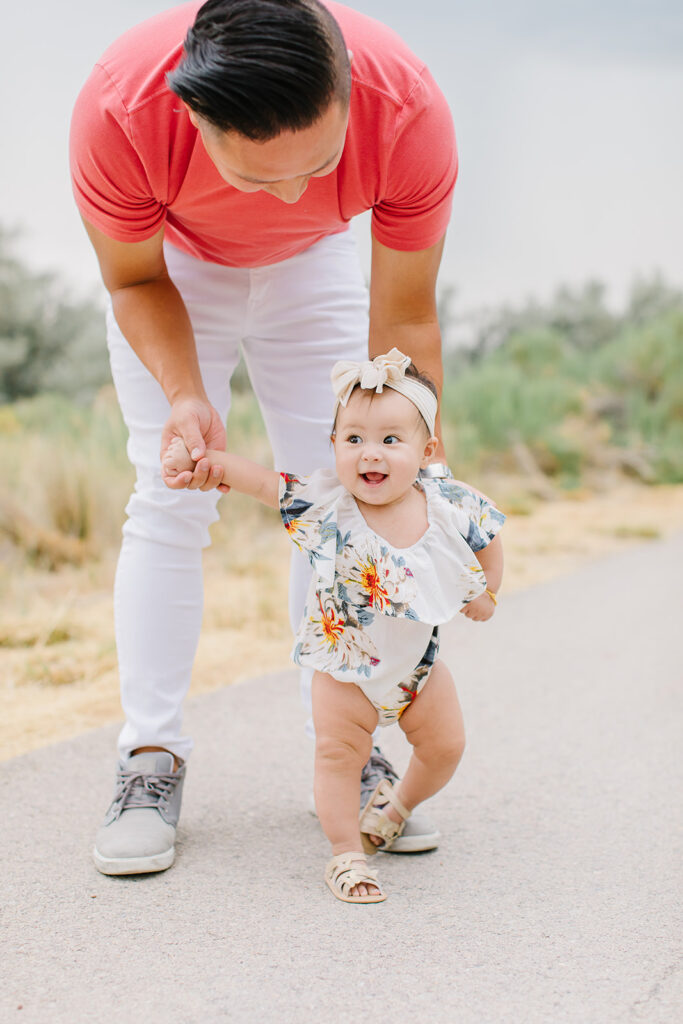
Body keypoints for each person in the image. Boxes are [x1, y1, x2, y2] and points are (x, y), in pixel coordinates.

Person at [70, 0, 459, 875]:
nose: (288, 191)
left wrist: (421, 467)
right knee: (167, 492)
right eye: (256, 177)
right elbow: (132, 277)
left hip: (316, 264)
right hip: (174, 268)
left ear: (349, 96)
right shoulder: (119, 109)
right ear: (193, 119)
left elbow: (403, 311)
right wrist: (183, 394)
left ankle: (347, 747)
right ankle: (149, 757)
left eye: (316, 164)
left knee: (342, 498)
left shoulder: (408, 109)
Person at [162, 349, 505, 902]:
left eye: (391, 440)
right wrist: (212, 467)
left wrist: (488, 591)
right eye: (354, 439)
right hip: (345, 674)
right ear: (334, 446)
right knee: (337, 758)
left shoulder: (445, 503)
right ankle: (346, 853)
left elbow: (488, 539)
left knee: (446, 746)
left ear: (427, 450)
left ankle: (395, 808)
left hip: (417, 672)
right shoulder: (326, 503)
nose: (371, 453)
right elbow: (260, 482)